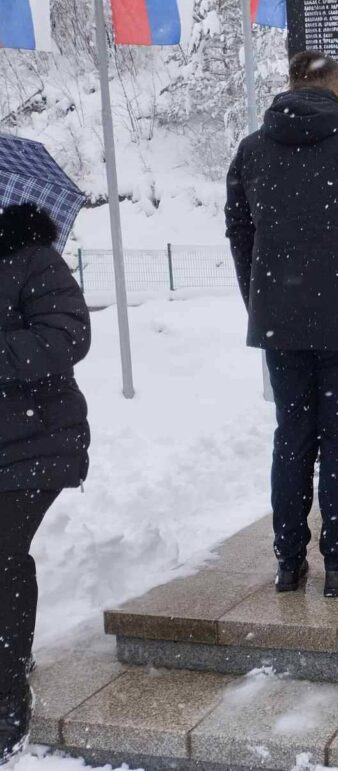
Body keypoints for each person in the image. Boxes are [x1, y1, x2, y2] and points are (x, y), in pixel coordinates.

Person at [225, 51, 338, 598]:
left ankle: (289, 562)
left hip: (281, 323)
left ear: (289, 87)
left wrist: (261, 303)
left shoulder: (253, 150)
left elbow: (240, 234)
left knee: (291, 435)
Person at [0, 203, 90, 762]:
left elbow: (68, 335)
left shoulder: (31, 259)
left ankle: (7, 696)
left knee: (1, 555)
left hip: (37, 440)